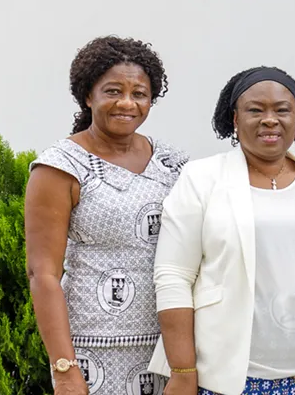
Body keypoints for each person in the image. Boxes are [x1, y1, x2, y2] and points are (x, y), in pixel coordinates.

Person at [150, 67, 295, 395]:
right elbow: (173, 277)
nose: (270, 119)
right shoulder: (201, 179)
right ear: (234, 119)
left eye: (282, 110)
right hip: (223, 379)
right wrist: (183, 371)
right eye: (255, 110)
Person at [26, 35, 183, 395]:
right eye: (113, 91)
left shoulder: (173, 163)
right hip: (91, 353)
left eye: (139, 93)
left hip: (166, 349)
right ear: (88, 95)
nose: (127, 103)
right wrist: (65, 369)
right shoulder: (61, 167)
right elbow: (42, 273)